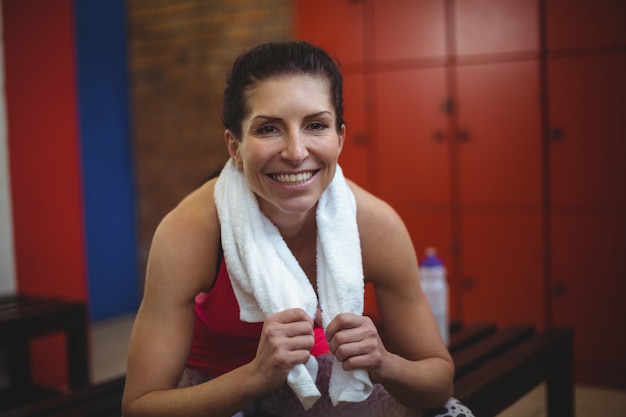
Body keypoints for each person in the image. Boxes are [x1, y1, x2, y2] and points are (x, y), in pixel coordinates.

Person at [122, 40, 473, 417]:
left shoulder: (374, 226)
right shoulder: (191, 230)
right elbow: (140, 406)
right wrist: (256, 376)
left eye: (316, 125)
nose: (295, 152)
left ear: (340, 137)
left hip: (314, 376)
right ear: (235, 147)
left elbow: (438, 380)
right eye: (269, 128)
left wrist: (383, 362)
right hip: (209, 383)